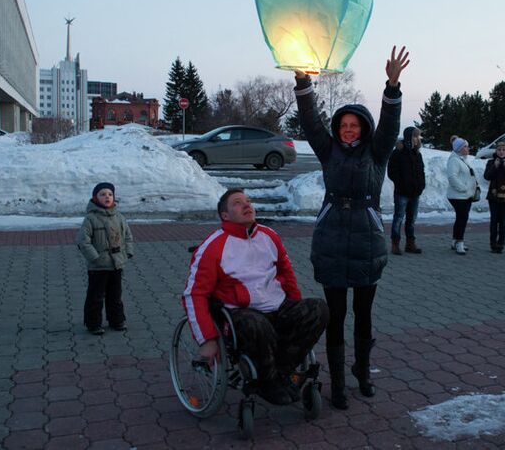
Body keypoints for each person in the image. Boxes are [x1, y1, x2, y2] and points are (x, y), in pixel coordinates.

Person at [294, 46, 410, 410]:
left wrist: (392, 87)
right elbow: (310, 121)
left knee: (363, 314)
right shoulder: (328, 150)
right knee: (336, 316)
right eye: (343, 125)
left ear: (363, 128)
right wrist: (302, 82)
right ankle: (338, 385)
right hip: (330, 240)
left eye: (353, 125)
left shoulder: (376, 153)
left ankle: (362, 373)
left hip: (366, 241)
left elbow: (390, 125)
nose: (347, 130)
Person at [182, 188, 329, 406]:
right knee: (256, 324)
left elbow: (287, 275)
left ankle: (279, 371)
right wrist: (207, 339)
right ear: (225, 215)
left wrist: (296, 305)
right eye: (237, 203)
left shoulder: (269, 236)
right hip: (240, 314)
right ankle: (268, 381)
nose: (246, 205)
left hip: (277, 306)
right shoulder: (213, 247)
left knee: (318, 308)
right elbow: (194, 294)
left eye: (248, 201)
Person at [76, 182, 134, 335]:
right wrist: (95, 257)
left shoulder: (119, 217)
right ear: (96, 198)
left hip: (117, 263)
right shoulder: (91, 219)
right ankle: (93, 323)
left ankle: (117, 320)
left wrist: (127, 252)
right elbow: (83, 241)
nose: (107, 197)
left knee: (115, 295)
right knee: (96, 296)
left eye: (110, 194)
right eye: (102, 194)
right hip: (99, 266)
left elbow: (127, 236)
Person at [386, 126, 426, 255]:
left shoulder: (417, 153)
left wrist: (421, 185)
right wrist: (402, 184)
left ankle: (410, 243)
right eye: (415, 136)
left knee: (411, 219)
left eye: (418, 136)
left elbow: (421, 171)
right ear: (409, 137)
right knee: (398, 218)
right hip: (402, 192)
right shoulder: (398, 152)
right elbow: (392, 172)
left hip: (415, 192)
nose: (417, 139)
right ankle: (395, 244)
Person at [483, 142, 505, 253]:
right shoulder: (491, 162)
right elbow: (487, 176)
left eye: (503, 149)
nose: (501, 152)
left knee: (503, 221)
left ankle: (501, 243)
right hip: (493, 195)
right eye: (499, 149)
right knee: (494, 220)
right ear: (496, 151)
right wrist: (495, 166)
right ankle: (493, 243)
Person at [446, 137, 478, 255]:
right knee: (462, 219)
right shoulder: (454, 160)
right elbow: (452, 177)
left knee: (461, 218)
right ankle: (459, 243)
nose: (467, 148)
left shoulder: (463, 159)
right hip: (458, 196)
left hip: (465, 196)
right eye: (465, 146)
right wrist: (464, 189)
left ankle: (455, 241)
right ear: (459, 148)